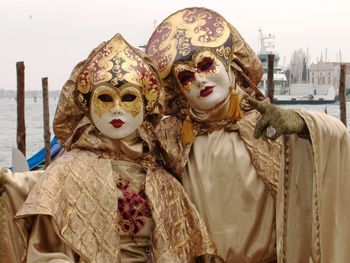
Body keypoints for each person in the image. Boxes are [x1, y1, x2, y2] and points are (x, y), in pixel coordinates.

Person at [145, 7, 350, 263]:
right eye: (186, 77)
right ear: (178, 90)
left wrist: (299, 123)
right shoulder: (171, 140)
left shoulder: (268, 125)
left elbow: (337, 137)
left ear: (229, 63)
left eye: (206, 65)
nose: (199, 80)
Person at [1, 33, 222, 263]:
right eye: (105, 98)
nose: (117, 109)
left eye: (128, 98)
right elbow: (46, 253)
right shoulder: (66, 173)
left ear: (146, 105)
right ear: (89, 106)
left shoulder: (163, 181)